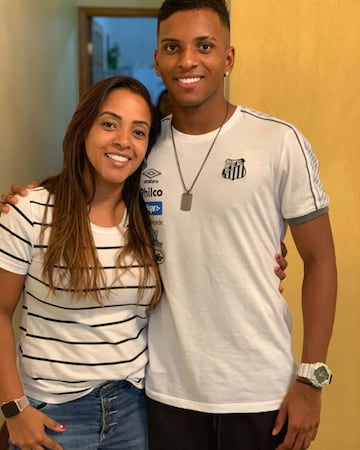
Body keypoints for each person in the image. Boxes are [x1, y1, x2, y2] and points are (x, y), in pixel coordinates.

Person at [140, 1, 336, 450]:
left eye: (204, 46)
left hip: (261, 394)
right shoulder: (141, 147)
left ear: (228, 59)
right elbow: (86, 201)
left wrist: (311, 379)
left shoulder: (278, 142)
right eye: (173, 47)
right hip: (165, 392)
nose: (188, 60)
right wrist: (30, 195)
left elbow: (320, 260)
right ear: (157, 60)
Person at [0, 76, 162, 450]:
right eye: (109, 124)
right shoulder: (30, 209)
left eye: (139, 132)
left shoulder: (149, 220)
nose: (123, 140)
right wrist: (13, 409)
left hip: (133, 410)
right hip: (54, 415)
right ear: (83, 128)